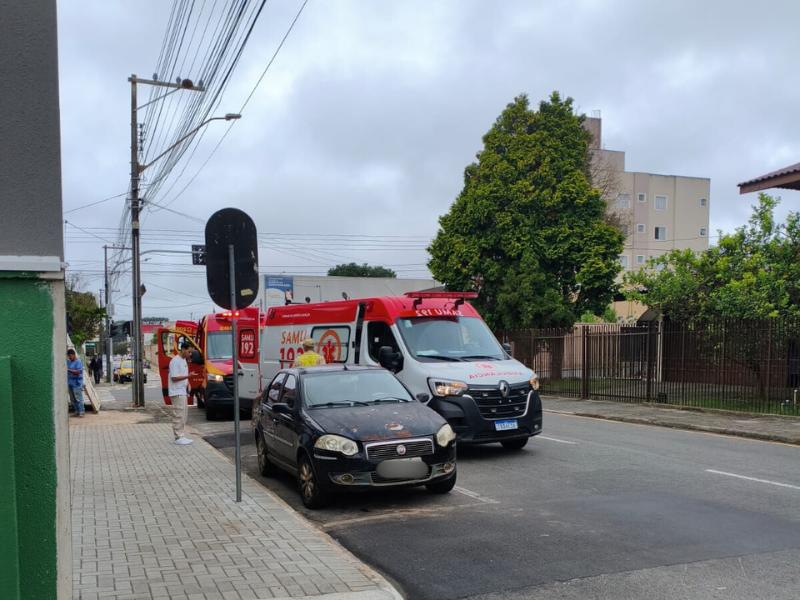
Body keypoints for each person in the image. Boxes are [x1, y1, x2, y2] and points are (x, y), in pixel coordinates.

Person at [168, 342, 193, 445]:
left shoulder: (183, 361)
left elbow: (183, 374)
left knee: (183, 414)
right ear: (183, 349)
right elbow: (174, 378)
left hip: (182, 391)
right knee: (178, 414)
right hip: (176, 391)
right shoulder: (175, 361)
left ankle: (181, 435)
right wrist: (188, 377)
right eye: (189, 351)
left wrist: (188, 383)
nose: (190, 354)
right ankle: (178, 436)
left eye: (191, 352)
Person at [66, 349, 85, 417]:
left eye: (70, 356)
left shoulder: (78, 362)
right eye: (68, 356)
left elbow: (77, 372)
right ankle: (76, 411)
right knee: (72, 399)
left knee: (78, 398)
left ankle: (81, 411)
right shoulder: (68, 362)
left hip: (77, 383)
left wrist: (68, 369)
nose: (69, 357)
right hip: (70, 383)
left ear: (74, 355)